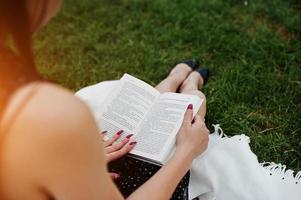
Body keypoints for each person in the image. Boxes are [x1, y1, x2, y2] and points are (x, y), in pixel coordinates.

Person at [0, 0, 209, 199]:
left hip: (73, 177)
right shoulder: (52, 115)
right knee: (193, 105)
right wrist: (186, 152)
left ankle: (174, 78)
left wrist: (72, 170)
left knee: (148, 109)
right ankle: (189, 84)